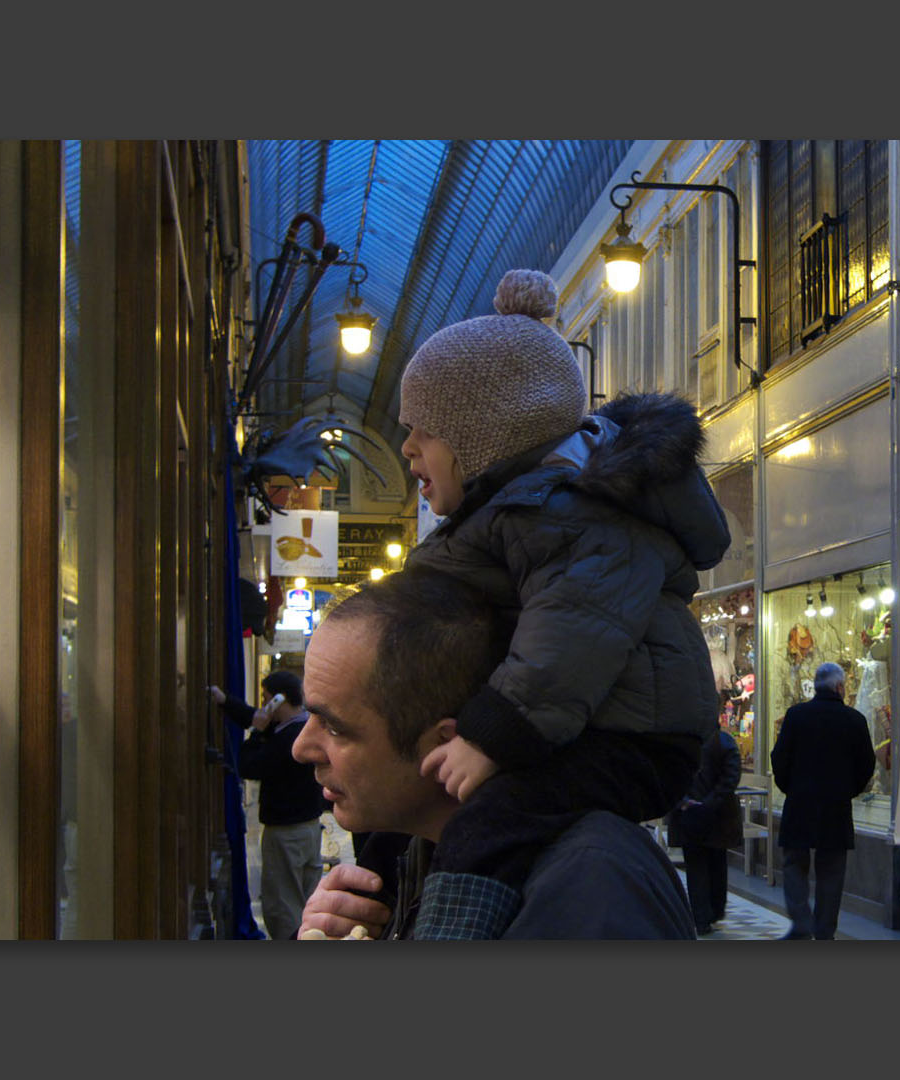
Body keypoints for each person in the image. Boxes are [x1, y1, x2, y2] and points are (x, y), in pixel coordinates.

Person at [393, 268, 729, 937]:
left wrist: (492, 735)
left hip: (634, 741)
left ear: (481, 439)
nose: (406, 450)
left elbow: (575, 632)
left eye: (422, 433)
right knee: (429, 820)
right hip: (598, 727)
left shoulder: (570, 512)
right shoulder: (528, 510)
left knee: (486, 824)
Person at [291, 567, 695, 940]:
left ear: (444, 743)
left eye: (334, 726)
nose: (301, 748)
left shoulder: (595, 886)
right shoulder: (416, 857)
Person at [209, 671, 327, 942]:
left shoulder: (287, 738)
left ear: (278, 700)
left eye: (266, 699)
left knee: (282, 907)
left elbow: (250, 765)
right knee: (305, 906)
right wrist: (226, 701)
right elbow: (254, 716)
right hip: (308, 828)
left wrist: (255, 733)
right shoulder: (302, 726)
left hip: (286, 833)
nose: (263, 705)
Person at [770, 661, 876, 940]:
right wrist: (847, 790)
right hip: (836, 807)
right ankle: (825, 931)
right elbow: (867, 765)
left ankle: (801, 921)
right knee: (831, 871)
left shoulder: (796, 716)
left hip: (800, 803)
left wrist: (790, 787)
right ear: (840, 687)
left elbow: (779, 758)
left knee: (794, 863)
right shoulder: (854, 720)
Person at [666, 724, 742, 935]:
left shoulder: (681, 740)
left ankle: (701, 917)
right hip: (718, 815)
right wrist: (711, 801)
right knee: (716, 862)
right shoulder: (723, 741)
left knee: (696, 865)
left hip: (688, 812)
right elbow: (731, 777)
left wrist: (683, 801)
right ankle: (713, 911)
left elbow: (669, 774)